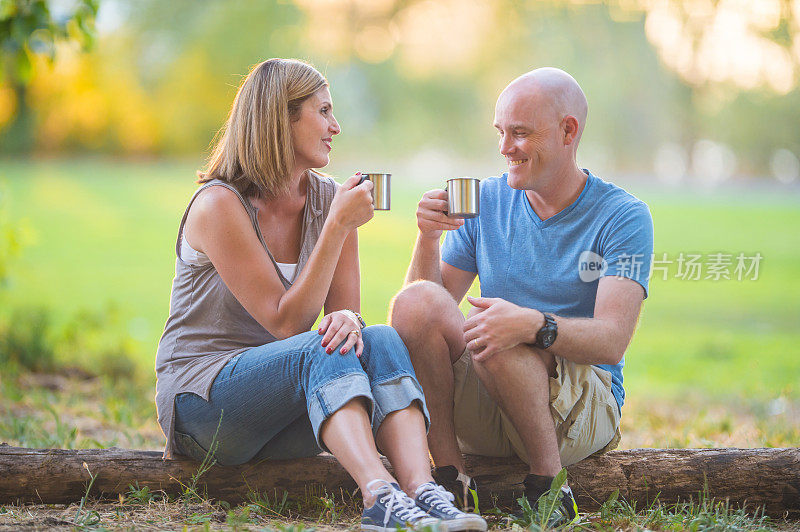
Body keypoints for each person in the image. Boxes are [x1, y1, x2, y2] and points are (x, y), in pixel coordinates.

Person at [154, 58, 486, 532]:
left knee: (382, 339)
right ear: (280, 119)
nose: (336, 126)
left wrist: (351, 317)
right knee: (318, 348)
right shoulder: (219, 206)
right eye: (324, 112)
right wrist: (338, 224)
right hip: (204, 407)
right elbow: (287, 324)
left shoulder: (329, 198)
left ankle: (423, 492)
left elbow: (341, 314)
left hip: (285, 402)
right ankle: (379, 497)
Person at [389, 67, 654, 526]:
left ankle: (549, 489)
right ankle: (449, 480)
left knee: (500, 333)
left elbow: (612, 341)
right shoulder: (486, 201)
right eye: (500, 132)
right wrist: (428, 239)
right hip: (495, 395)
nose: (504, 147)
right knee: (414, 303)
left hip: (579, 411)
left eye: (520, 133)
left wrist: (533, 325)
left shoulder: (623, 216)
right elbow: (420, 318)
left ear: (568, 131)